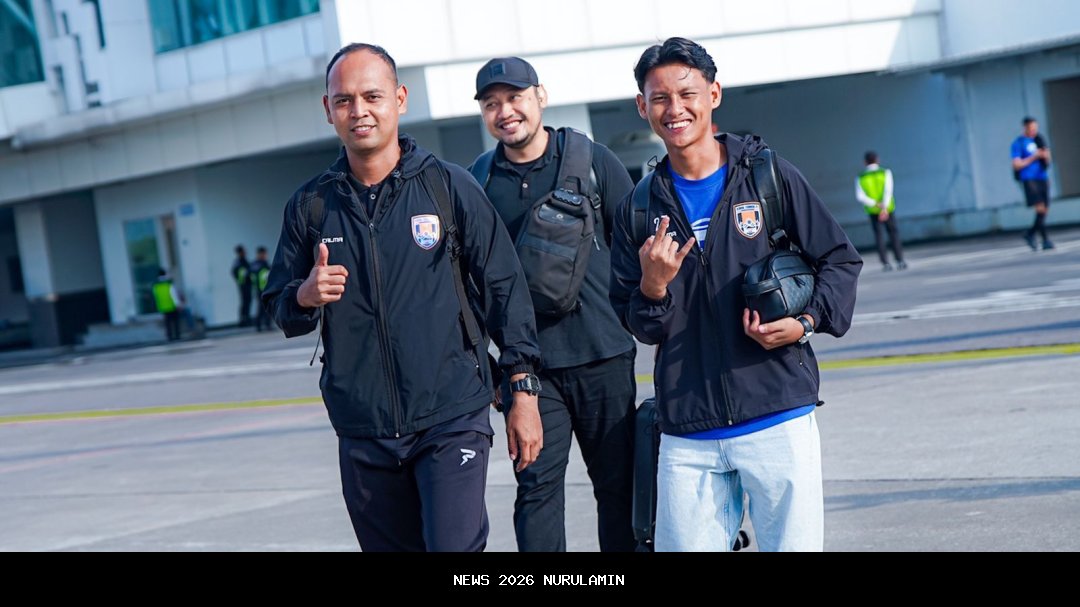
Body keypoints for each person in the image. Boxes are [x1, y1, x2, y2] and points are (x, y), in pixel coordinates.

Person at [261, 43, 542, 552]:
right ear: (328, 109)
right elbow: (280, 309)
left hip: (451, 416)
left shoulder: (447, 187)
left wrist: (522, 391)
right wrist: (303, 295)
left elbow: (505, 289)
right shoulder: (311, 205)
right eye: (344, 100)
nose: (359, 111)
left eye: (372, 96)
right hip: (362, 429)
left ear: (400, 99)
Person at [609, 37, 863, 552]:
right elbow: (640, 323)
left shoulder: (767, 175)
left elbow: (839, 260)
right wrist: (653, 286)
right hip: (687, 432)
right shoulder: (638, 207)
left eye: (687, 94)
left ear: (714, 94)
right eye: (660, 98)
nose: (675, 109)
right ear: (642, 106)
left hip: (777, 415)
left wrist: (806, 322)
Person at [470, 57, 637, 552]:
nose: (505, 111)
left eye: (515, 98)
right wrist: (491, 369)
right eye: (491, 104)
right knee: (537, 490)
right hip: (529, 371)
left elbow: (634, 244)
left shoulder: (593, 161)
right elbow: (467, 282)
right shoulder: (478, 181)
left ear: (540, 97)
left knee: (620, 488)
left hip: (604, 355)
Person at [856, 151, 906, 271]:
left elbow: (860, 196)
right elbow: (888, 190)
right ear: (877, 160)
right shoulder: (885, 172)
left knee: (879, 236)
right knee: (893, 234)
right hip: (888, 209)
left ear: (865, 162)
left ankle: (885, 263)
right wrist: (884, 208)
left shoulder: (861, 177)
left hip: (873, 210)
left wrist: (875, 204)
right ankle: (900, 260)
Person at [1012, 117, 1054, 250]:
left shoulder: (1039, 140)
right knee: (1040, 208)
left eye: (1035, 128)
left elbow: (1048, 160)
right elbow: (1016, 164)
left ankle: (1030, 234)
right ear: (1025, 127)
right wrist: (1034, 157)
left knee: (1045, 209)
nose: (1033, 130)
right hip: (1029, 179)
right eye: (1031, 128)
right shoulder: (1019, 143)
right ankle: (1045, 240)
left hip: (1042, 177)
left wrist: (1046, 155)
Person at [152, 268, 182, 342]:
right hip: (171, 305)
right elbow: (173, 295)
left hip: (162, 306)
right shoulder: (168, 283)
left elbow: (155, 296)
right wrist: (177, 304)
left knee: (167, 323)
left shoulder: (155, 285)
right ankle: (177, 336)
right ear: (165, 274)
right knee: (175, 321)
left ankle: (170, 337)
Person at [249, 246, 272, 332]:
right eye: (264, 254)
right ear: (260, 254)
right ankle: (260, 325)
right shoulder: (259, 264)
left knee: (266, 307)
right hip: (261, 289)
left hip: (265, 289)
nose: (265, 256)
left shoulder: (261, 263)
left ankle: (266, 324)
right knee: (262, 307)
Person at [231, 245, 252, 326]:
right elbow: (234, 272)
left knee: (248, 301)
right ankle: (243, 320)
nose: (245, 252)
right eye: (243, 251)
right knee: (245, 301)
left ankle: (247, 318)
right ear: (240, 252)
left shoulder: (244, 261)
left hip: (248, 284)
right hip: (243, 285)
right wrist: (240, 280)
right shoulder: (238, 262)